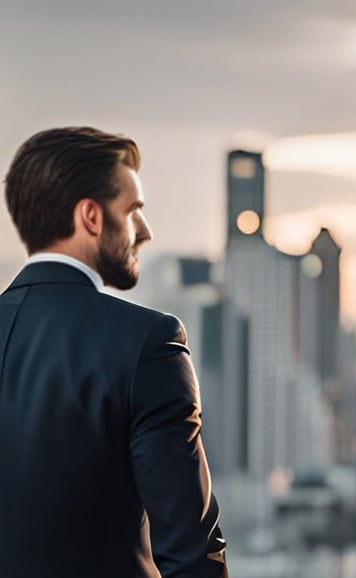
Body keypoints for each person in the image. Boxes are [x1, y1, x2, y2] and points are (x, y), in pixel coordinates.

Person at [0, 127, 227, 578]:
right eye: (133, 211)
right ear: (91, 216)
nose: (145, 231)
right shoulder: (148, 343)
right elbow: (190, 555)